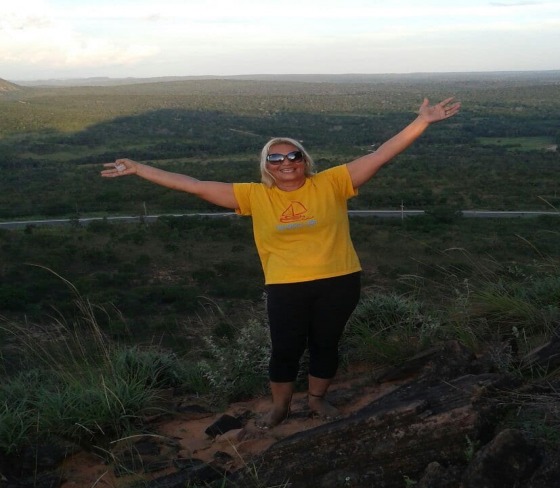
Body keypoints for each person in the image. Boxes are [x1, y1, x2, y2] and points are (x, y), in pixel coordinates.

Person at [101, 97, 461, 431]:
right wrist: (139, 168)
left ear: (305, 160)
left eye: (293, 156)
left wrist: (422, 121)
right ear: (266, 166)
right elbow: (193, 185)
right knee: (285, 348)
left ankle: (317, 401)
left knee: (326, 343)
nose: (286, 162)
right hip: (286, 285)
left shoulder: (333, 182)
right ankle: (280, 407)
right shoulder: (253, 196)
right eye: (276, 158)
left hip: (339, 279)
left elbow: (382, 154)